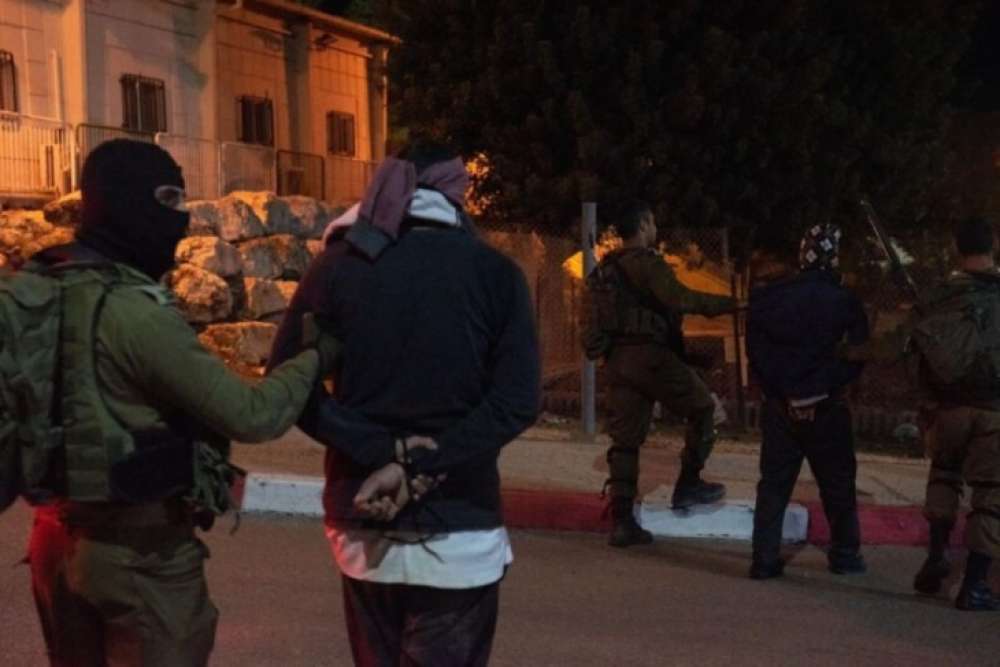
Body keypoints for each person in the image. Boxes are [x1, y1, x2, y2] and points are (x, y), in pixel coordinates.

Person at [17, 139, 339, 666]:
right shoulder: (134, 312)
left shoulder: (41, 283)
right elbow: (252, 414)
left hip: (54, 542)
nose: (182, 217)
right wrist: (314, 355)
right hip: (136, 554)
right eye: (168, 199)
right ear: (125, 199)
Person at [269, 140, 541, 666]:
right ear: (456, 193)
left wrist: (380, 450)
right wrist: (420, 461)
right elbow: (516, 402)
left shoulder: (337, 266)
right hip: (460, 535)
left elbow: (288, 387)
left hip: (361, 526)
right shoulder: (495, 273)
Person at [844, 216, 1000, 610]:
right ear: (993, 246)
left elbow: (894, 347)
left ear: (956, 247)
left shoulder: (937, 297)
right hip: (995, 412)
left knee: (944, 476)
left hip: (946, 408)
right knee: (991, 495)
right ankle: (975, 585)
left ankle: (936, 556)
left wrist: (846, 352)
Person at [582, 201, 735, 548]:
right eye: (651, 222)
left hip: (617, 362)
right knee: (704, 409)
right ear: (643, 225)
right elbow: (679, 298)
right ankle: (689, 484)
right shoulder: (648, 264)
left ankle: (622, 522)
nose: (655, 228)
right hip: (652, 358)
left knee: (625, 442)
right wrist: (727, 304)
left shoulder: (605, 270)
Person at [746, 224, 869, 580]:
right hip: (827, 407)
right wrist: (825, 387)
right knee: (838, 483)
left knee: (774, 485)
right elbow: (858, 353)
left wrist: (783, 392)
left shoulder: (769, 298)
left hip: (780, 407)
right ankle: (845, 554)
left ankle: (764, 559)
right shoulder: (844, 300)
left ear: (802, 255)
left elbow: (756, 352)